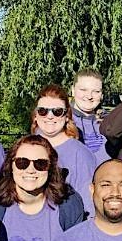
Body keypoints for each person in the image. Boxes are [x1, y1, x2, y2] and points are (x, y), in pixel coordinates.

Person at [33, 84, 98, 213]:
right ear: (36, 115)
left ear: (67, 116)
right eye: (43, 111)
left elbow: (88, 207)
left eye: (57, 111)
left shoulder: (80, 155)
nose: (49, 116)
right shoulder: (25, 148)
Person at [70, 69, 109, 164]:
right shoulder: (61, 121)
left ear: (102, 94)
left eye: (96, 91)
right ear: (73, 90)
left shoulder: (109, 122)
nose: (89, 96)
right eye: (83, 90)